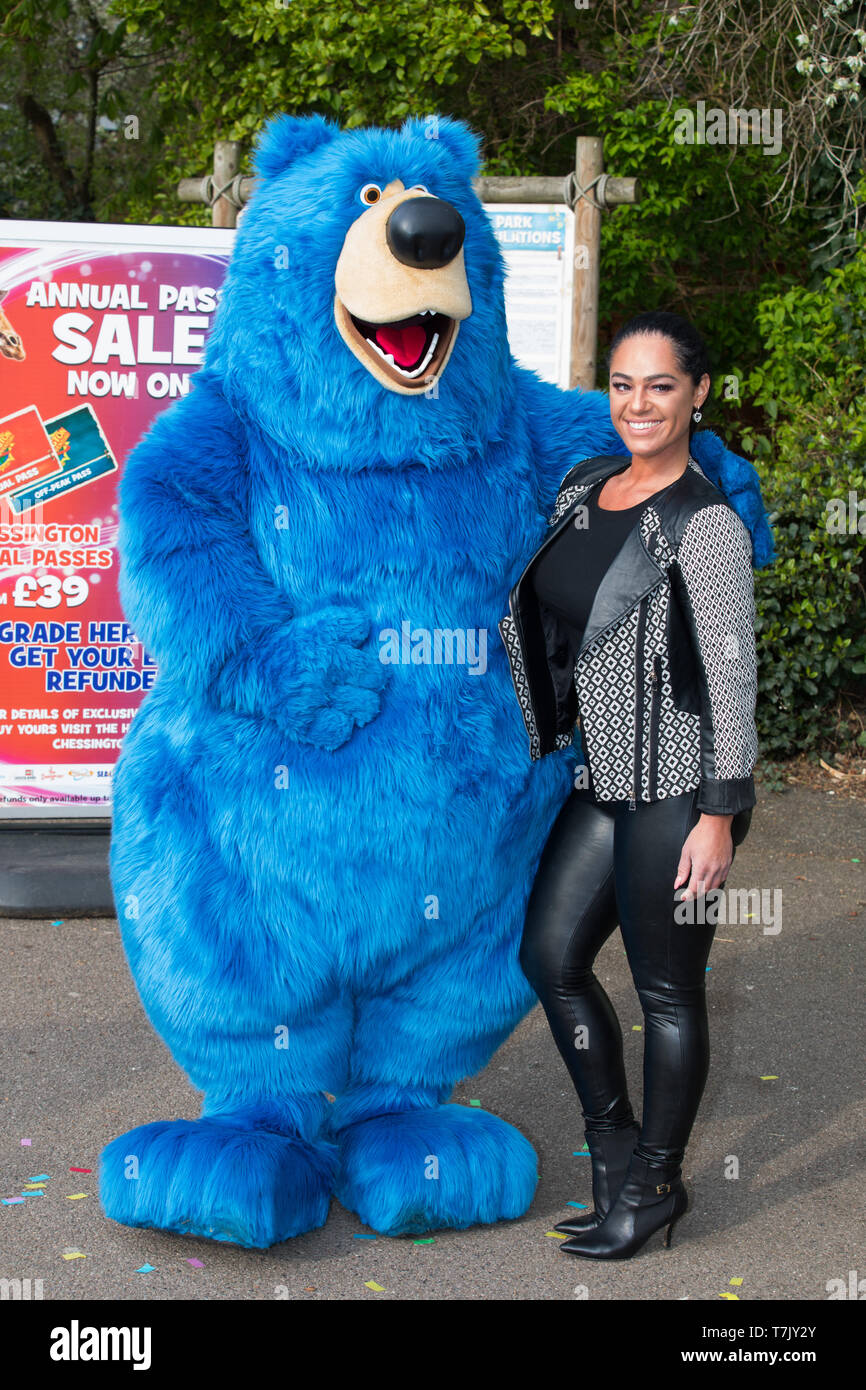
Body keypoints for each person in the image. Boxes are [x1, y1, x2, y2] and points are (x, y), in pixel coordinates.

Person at [499, 310, 763, 1259]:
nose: (638, 403)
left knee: (668, 993)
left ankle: (654, 1187)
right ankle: (614, 1150)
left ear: (697, 394)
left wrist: (720, 818)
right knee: (549, 961)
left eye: (660, 385)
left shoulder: (708, 525)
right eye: (622, 384)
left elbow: (732, 676)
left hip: (680, 795)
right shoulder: (583, 488)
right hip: (602, 778)